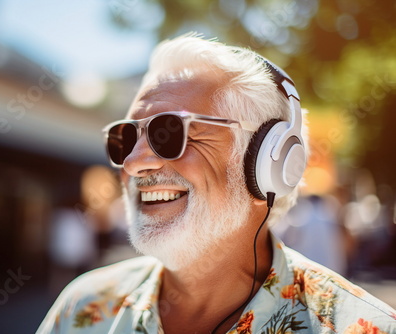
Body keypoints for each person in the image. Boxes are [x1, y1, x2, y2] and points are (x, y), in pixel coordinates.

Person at [36, 34, 396, 334]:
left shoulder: (364, 327)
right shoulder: (81, 307)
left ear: (268, 163)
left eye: (170, 132)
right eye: (124, 138)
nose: (133, 163)